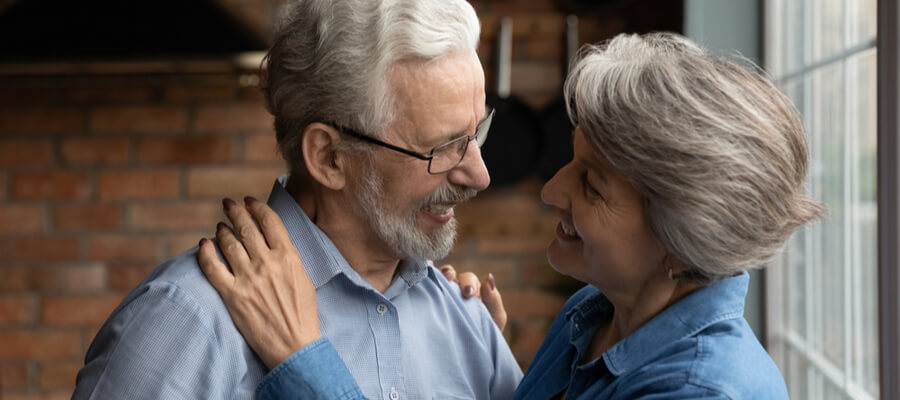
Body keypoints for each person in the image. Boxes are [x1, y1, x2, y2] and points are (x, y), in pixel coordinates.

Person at [199, 32, 824, 399]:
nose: (551, 191)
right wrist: (487, 366)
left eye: (592, 185)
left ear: (684, 243)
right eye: (570, 162)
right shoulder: (598, 313)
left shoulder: (699, 393)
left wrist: (302, 358)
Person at [73, 0, 523, 398]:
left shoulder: (468, 322)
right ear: (329, 157)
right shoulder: (184, 322)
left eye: (476, 132)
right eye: (441, 148)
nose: (479, 176)